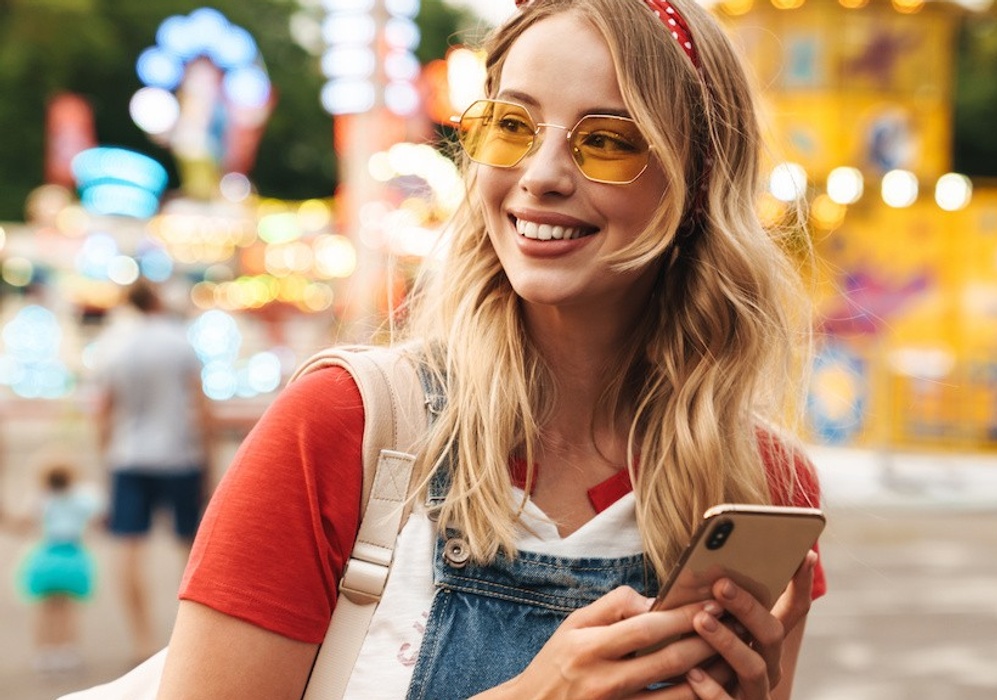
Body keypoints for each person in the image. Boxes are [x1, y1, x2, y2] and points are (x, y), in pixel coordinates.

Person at [81, 0, 826, 697]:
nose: (540, 176)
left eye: (604, 140)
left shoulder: (762, 484)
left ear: (696, 181)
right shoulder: (344, 427)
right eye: (512, 126)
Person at [93, 277, 213, 662]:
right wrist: (209, 459)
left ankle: (142, 641)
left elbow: (104, 410)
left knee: (129, 549)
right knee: (191, 549)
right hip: (179, 455)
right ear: (157, 301)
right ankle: (193, 640)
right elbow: (201, 406)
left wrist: (103, 458)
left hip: (128, 457)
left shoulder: (113, 344)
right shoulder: (179, 341)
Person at [9, 461, 103, 673]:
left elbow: (22, 524)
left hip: (47, 558)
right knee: (67, 609)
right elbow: (99, 519)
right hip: (73, 558)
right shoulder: (82, 499)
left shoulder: (42, 499)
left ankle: (45, 652)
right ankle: (68, 650)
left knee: (46, 609)